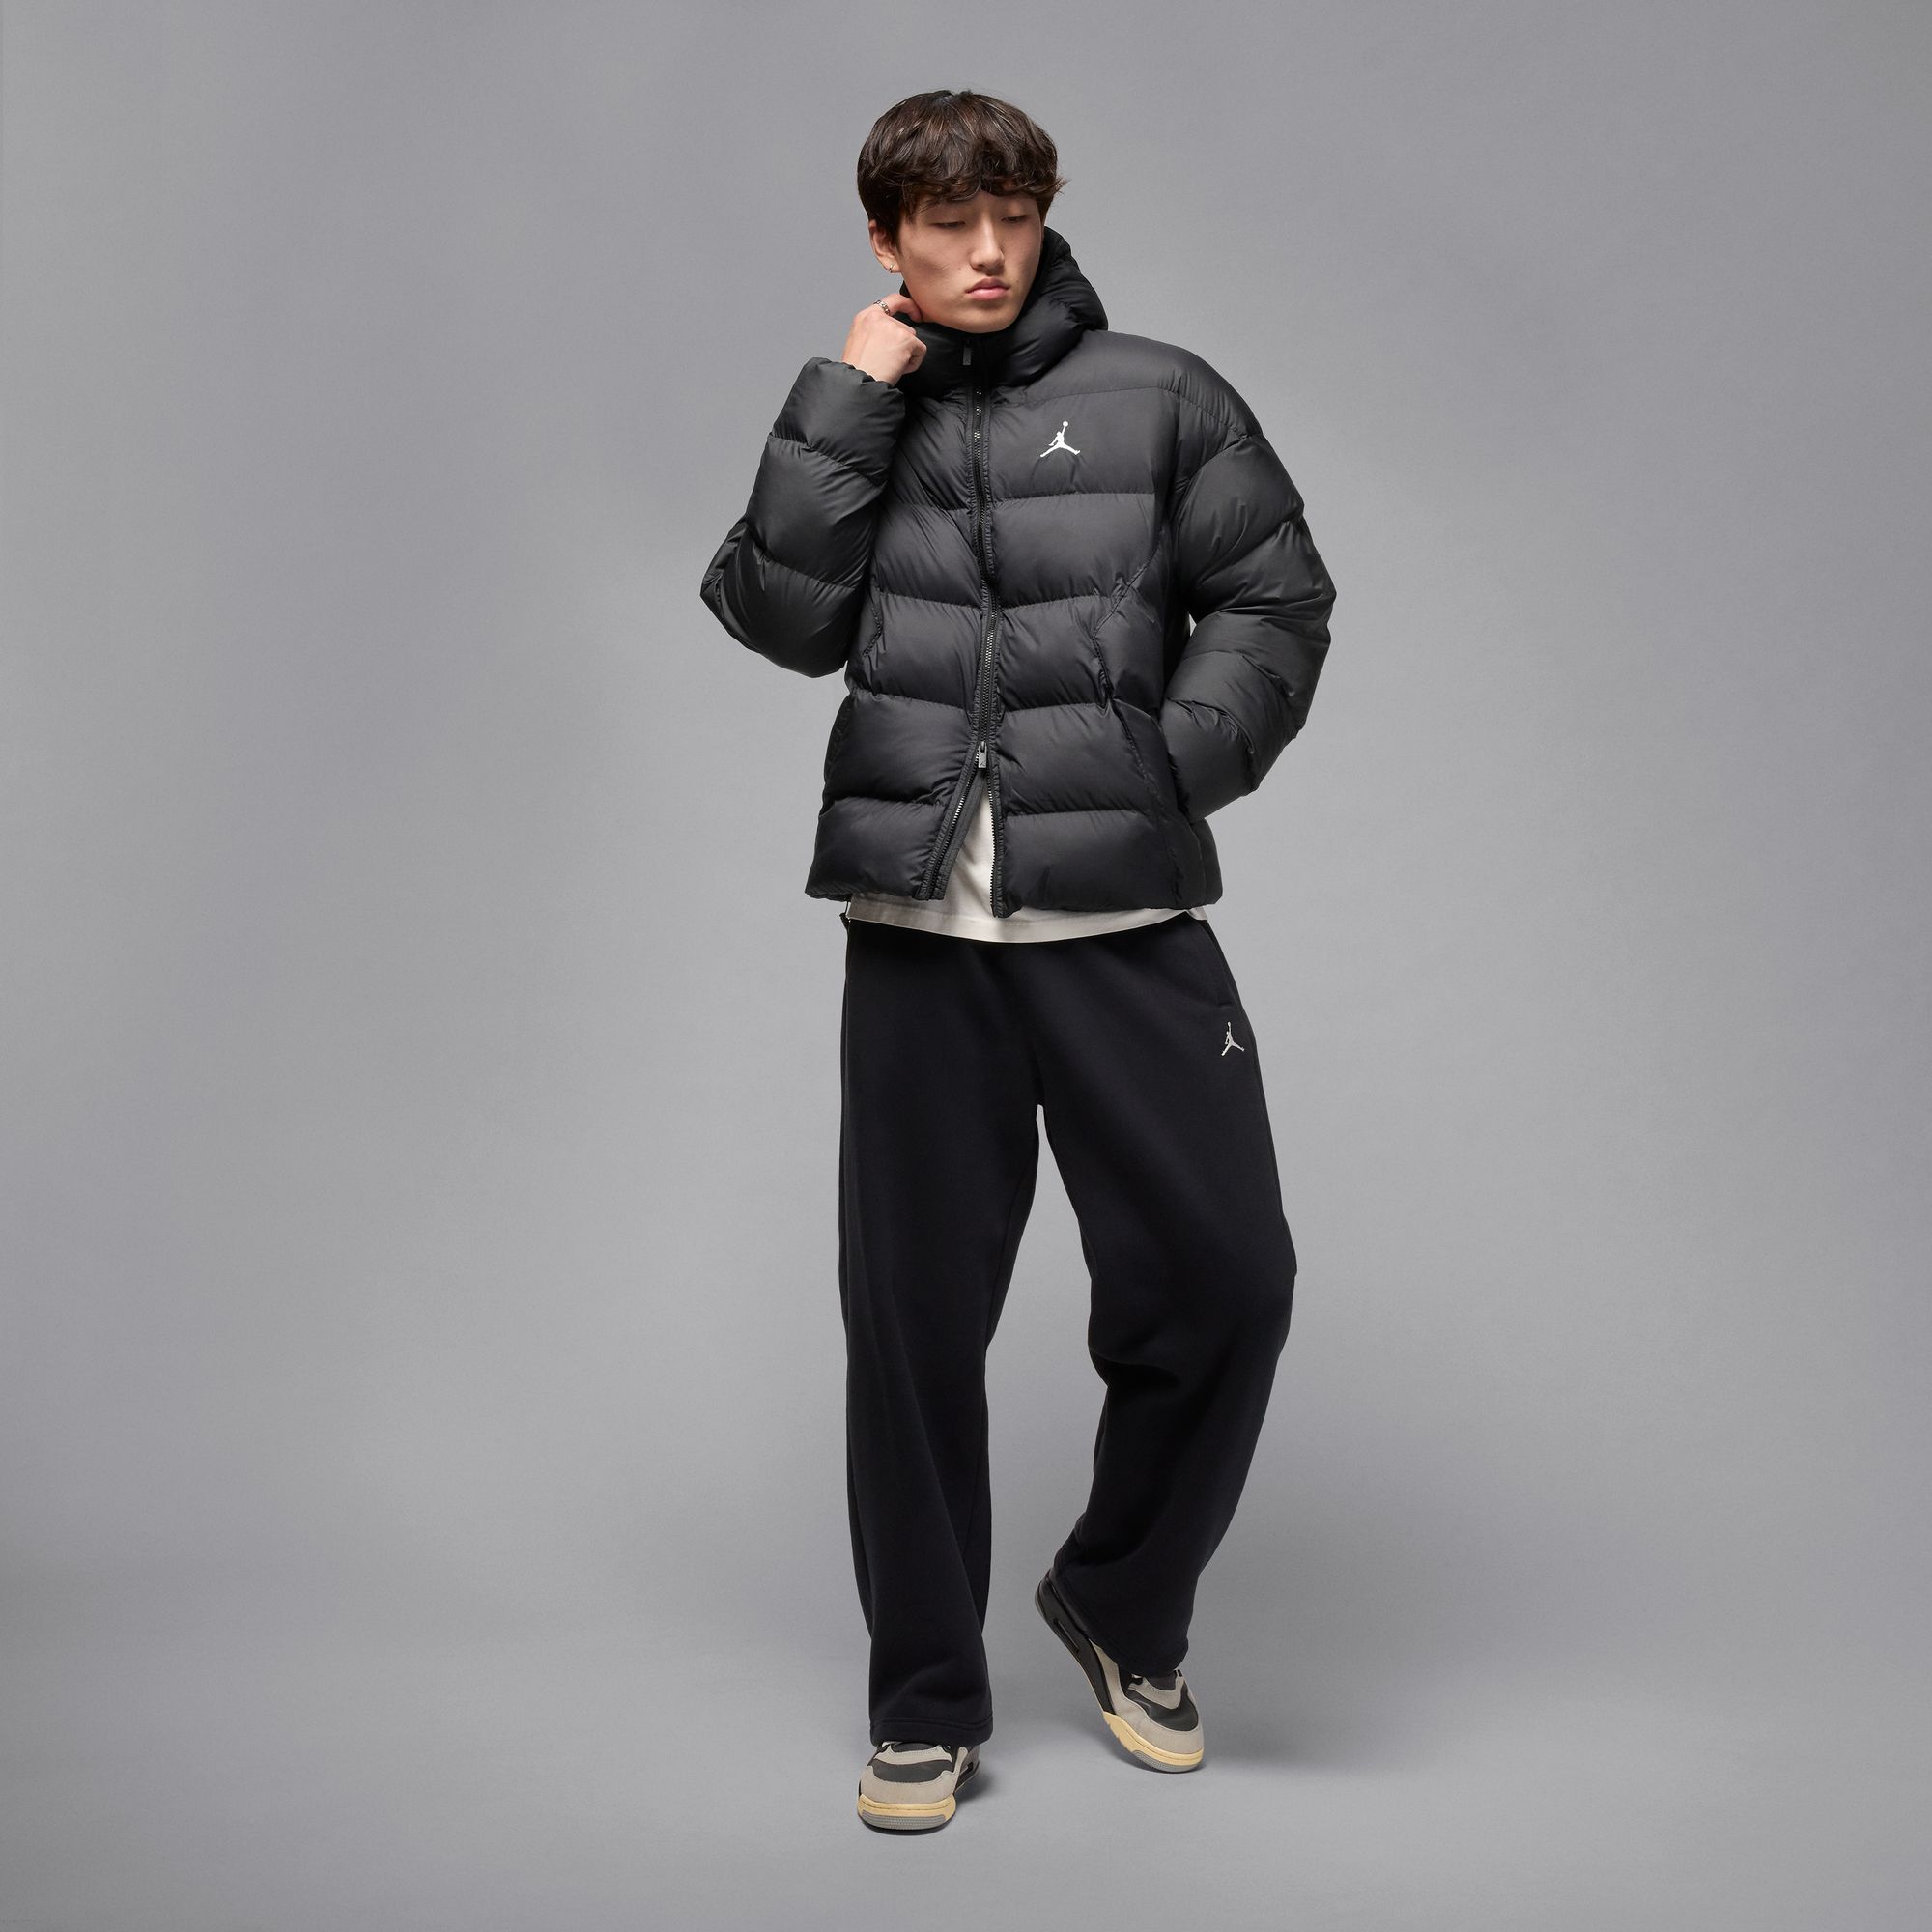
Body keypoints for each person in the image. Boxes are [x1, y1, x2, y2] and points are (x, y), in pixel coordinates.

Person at [698, 88, 1336, 1833]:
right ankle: (924, 1700)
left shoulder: (1161, 397)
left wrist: (1165, 765)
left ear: (1044, 218)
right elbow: (776, 617)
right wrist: (845, 401)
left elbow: (1277, 599)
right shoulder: (863, 412)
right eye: (949, 225)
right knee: (912, 1331)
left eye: (1016, 218)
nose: (988, 255)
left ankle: (1121, 1602)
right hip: (920, 937)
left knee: (1229, 1281)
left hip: (1121, 926)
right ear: (888, 239)